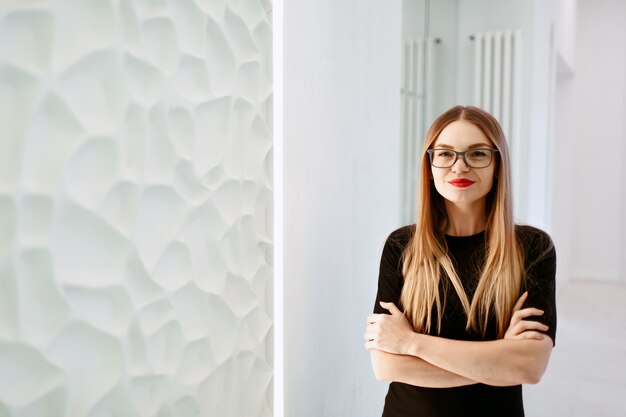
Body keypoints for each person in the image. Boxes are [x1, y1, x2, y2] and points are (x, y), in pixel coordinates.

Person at [364, 105, 556, 417]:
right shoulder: (402, 247)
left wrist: (411, 343)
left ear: (498, 166)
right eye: (445, 154)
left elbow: (530, 366)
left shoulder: (532, 248)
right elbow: (386, 365)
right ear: (430, 166)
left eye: (477, 154)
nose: (459, 167)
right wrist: (498, 363)